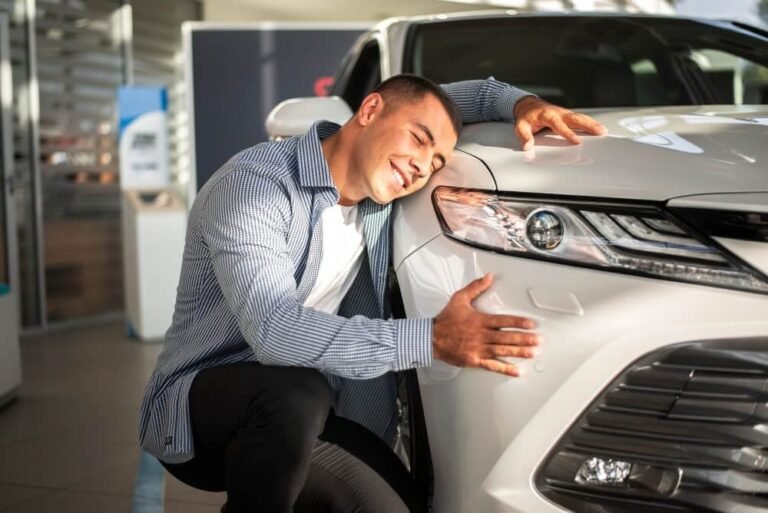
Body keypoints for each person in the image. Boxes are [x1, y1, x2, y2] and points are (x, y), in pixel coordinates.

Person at [138, 75, 606, 513]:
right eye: (418, 140)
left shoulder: (376, 198)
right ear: (369, 110)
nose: (421, 166)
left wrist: (523, 104)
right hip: (200, 412)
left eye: (436, 162)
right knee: (295, 392)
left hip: (305, 415)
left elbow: (452, 102)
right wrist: (432, 339)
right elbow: (276, 332)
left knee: (398, 503)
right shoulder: (254, 188)